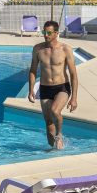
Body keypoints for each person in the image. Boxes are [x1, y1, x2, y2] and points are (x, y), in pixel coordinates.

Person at [27, 20, 78, 149]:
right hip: (45, 88)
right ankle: (54, 148)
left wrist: (74, 98)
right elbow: (32, 70)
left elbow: (73, 74)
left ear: (56, 33)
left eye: (49, 33)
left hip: (62, 87)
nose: (46, 35)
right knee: (49, 125)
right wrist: (31, 89)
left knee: (55, 111)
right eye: (44, 32)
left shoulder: (65, 49)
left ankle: (59, 135)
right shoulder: (38, 49)